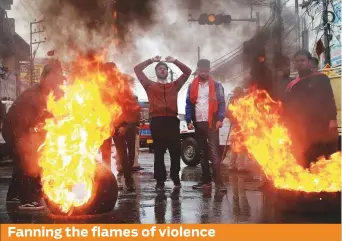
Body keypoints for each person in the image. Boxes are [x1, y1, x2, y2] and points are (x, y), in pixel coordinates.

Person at [3, 60, 64, 210]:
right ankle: (27, 200)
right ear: (44, 77)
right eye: (52, 77)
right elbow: (25, 119)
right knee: (27, 160)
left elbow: (51, 116)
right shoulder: (34, 94)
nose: (55, 81)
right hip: (15, 129)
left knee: (21, 162)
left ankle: (13, 196)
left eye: (58, 77)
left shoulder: (49, 93)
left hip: (21, 128)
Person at [134, 56, 191, 190]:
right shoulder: (149, 86)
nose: (162, 69)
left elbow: (188, 72)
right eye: (159, 68)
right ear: (156, 72)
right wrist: (151, 60)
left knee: (175, 150)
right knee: (159, 151)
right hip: (157, 121)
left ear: (167, 71)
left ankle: (175, 176)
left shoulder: (175, 86)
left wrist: (175, 61)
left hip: (172, 120)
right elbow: (137, 69)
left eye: (164, 68)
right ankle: (160, 180)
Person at [283, 49, 338, 168]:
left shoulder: (321, 78)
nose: (299, 63)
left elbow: (329, 100)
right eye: (297, 61)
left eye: (302, 60)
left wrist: (332, 120)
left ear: (309, 62)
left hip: (321, 123)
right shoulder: (293, 85)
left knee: (325, 154)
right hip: (302, 126)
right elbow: (289, 107)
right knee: (305, 155)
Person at [185, 59, 226, 191]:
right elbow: (189, 104)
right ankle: (206, 181)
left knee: (214, 153)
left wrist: (220, 118)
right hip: (198, 122)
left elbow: (221, 103)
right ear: (198, 70)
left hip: (212, 122)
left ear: (209, 70)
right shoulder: (191, 86)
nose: (203, 72)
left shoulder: (217, 85)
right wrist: (188, 120)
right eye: (201, 70)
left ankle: (219, 183)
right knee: (202, 152)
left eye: (206, 70)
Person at [112, 95, 140, 191]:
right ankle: (128, 180)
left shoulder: (127, 96)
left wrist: (127, 126)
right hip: (116, 129)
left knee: (131, 153)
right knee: (122, 154)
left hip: (129, 128)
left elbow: (133, 114)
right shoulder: (110, 98)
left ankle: (128, 175)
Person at [225, 87, 248, 172]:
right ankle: (241, 167)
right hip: (240, 126)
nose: (234, 93)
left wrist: (232, 119)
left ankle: (231, 166)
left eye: (235, 92)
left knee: (234, 146)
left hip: (234, 126)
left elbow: (226, 113)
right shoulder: (242, 101)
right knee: (241, 147)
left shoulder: (232, 101)